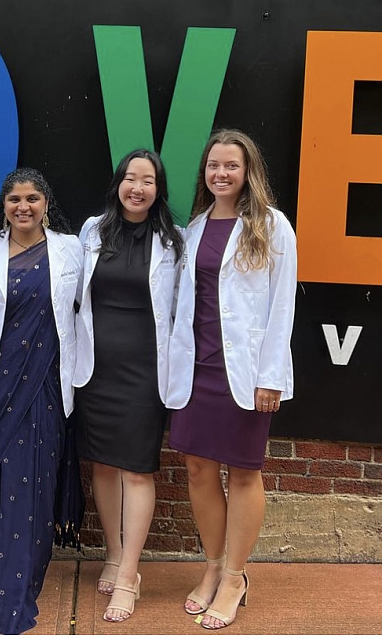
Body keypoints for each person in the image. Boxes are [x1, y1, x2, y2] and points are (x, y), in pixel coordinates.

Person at [167, 129, 297, 630]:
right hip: (196, 368)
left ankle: (236, 577)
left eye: (231, 166)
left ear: (248, 172)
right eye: (213, 165)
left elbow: (282, 307)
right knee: (198, 469)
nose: (221, 174)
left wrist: (271, 376)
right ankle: (213, 566)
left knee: (243, 471)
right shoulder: (195, 227)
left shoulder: (272, 226)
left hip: (244, 371)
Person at [0, 167, 83, 635]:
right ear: (4, 205)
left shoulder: (70, 248)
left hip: (46, 384)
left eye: (32, 198)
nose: (23, 206)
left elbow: (84, 308)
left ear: (46, 203)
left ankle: (24, 577)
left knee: (36, 482)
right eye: (15, 199)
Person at [73, 149, 183, 623]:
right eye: (130, 179)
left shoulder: (174, 241)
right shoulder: (92, 231)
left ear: (159, 190)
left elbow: (180, 308)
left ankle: (129, 574)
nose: (137, 188)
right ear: (118, 183)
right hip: (95, 369)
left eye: (148, 181)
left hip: (145, 373)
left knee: (137, 470)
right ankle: (114, 554)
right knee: (102, 464)